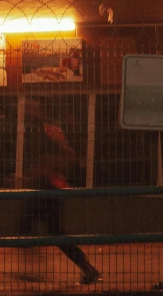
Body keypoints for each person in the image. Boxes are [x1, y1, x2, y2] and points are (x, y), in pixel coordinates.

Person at [18, 101, 101, 285]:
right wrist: (30, 177)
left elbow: (70, 156)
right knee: (25, 225)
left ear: (40, 110)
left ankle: (88, 269)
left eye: (32, 107)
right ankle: (32, 268)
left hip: (52, 188)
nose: (28, 111)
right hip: (41, 187)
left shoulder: (50, 130)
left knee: (55, 232)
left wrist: (48, 168)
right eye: (27, 108)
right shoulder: (34, 132)